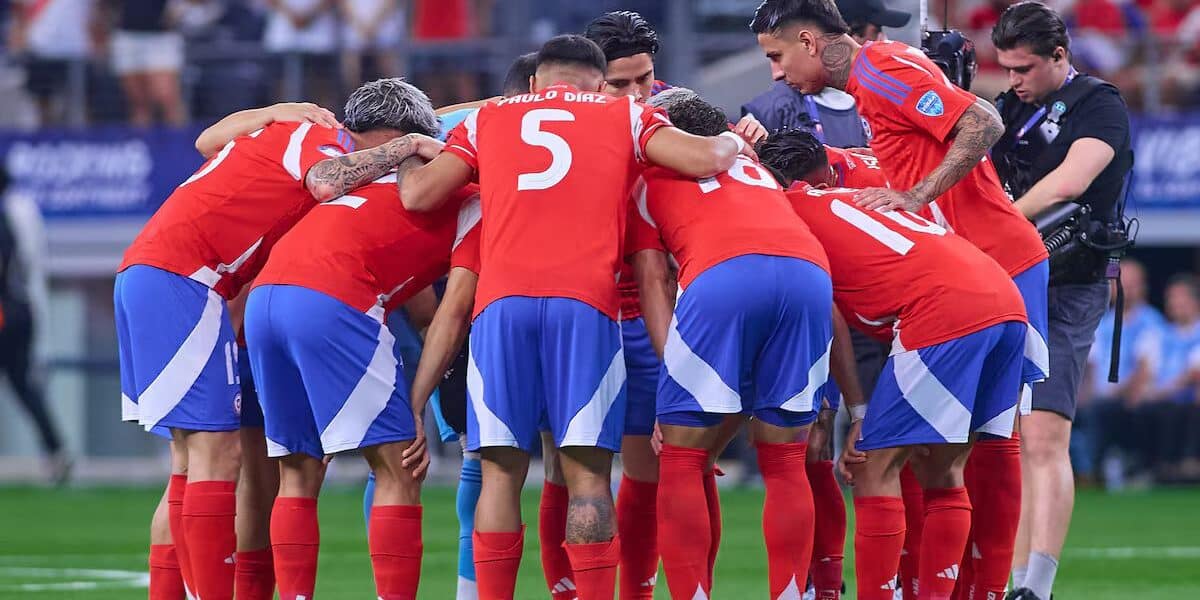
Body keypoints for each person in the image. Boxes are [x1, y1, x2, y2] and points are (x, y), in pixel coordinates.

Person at [399, 34, 750, 599]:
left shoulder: (488, 116)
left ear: (538, 82)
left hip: (500, 306)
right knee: (587, 477)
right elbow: (706, 158)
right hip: (585, 307)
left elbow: (417, 197)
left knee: (500, 474)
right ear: (597, 80)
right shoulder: (625, 113)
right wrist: (737, 139)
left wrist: (420, 155)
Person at [752, 3, 1051, 599]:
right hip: (970, 271)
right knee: (943, 455)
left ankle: (986, 588)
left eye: (777, 57)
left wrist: (918, 195)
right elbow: (874, 166)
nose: (778, 75)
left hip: (997, 262)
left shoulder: (878, 68)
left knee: (989, 446)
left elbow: (984, 122)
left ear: (809, 41)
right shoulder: (877, 87)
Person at [116, 81, 437, 600]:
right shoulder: (323, 140)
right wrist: (410, 148)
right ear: (386, 135)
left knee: (198, 465)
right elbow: (330, 180)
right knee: (218, 461)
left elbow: (207, 141)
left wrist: (268, 110)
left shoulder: (288, 131)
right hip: (190, 281)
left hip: (181, 284)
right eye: (397, 146)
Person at [243, 79, 470, 600]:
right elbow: (451, 316)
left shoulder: (367, 187)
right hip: (332, 299)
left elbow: (420, 305)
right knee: (398, 467)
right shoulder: (469, 200)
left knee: (298, 471)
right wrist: (417, 406)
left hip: (267, 299)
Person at [630, 87, 844, 600]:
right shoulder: (756, 167)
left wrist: (672, 375)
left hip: (724, 274)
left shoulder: (646, 177)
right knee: (787, 460)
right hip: (809, 275)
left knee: (681, 459)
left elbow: (654, 280)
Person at [987, 4, 1134, 598]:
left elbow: (1073, 180)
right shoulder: (1004, 108)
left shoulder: (1100, 103)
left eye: (1024, 68)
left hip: (1070, 283)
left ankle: (1037, 585)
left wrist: (1001, 226)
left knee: (1045, 435)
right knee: (1005, 439)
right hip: (1006, 281)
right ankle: (1007, 582)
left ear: (1058, 56)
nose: (1014, 79)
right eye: (1006, 69)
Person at [0, 165, 66, 484]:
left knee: (23, 384)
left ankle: (56, 451)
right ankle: (56, 450)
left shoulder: (14, 210)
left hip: (9, 309)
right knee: (23, 385)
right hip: (20, 307)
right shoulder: (21, 207)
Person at [109, 0, 187, 126]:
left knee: (167, 98)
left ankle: (181, 142)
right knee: (138, 101)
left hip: (160, 37)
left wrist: (178, 11)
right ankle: (142, 142)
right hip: (127, 35)